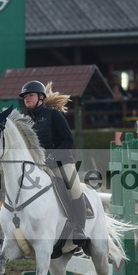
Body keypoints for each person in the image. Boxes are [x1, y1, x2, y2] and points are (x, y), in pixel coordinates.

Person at [18, 80, 87, 245]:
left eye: (30, 95)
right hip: (38, 167)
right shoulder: (24, 120)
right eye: (25, 96)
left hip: (61, 163)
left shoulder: (53, 114)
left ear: (41, 97)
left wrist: (52, 157)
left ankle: (79, 229)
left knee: (74, 189)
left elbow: (67, 140)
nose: (26, 98)